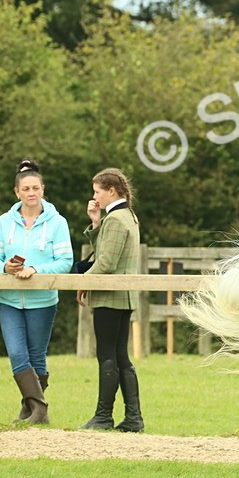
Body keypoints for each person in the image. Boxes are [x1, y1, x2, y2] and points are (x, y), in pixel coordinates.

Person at [0, 159, 73, 425]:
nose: (31, 192)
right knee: (16, 353)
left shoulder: (57, 223)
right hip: (9, 299)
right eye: (26, 189)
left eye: (36, 188)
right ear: (17, 192)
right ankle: (39, 410)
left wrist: (35, 268)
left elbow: (65, 262)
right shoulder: (5, 222)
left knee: (36, 356)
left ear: (43, 189)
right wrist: (5, 266)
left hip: (43, 301)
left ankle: (32, 411)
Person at [77, 168, 143, 432]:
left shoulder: (116, 219)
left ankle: (103, 416)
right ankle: (133, 417)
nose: (95, 197)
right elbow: (106, 249)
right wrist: (95, 222)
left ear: (111, 191)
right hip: (123, 297)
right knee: (120, 356)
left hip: (110, 296)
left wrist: (82, 283)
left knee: (107, 355)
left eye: (97, 192)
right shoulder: (126, 216)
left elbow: (105, 262)